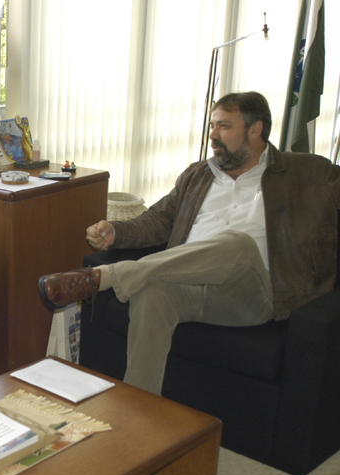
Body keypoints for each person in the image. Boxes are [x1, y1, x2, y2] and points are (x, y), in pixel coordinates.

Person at [38, 91, 340, 394]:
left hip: (251, 292)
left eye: (224, 126)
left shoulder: (304, 173)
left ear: (255, 129)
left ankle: (106, 277)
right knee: (152, 293)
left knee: (237, 243)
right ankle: (138, 404)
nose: (213, 135)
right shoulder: (198, 175)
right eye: (212, 126)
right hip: (192, 284)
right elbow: (158, 220)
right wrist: (115, 232)